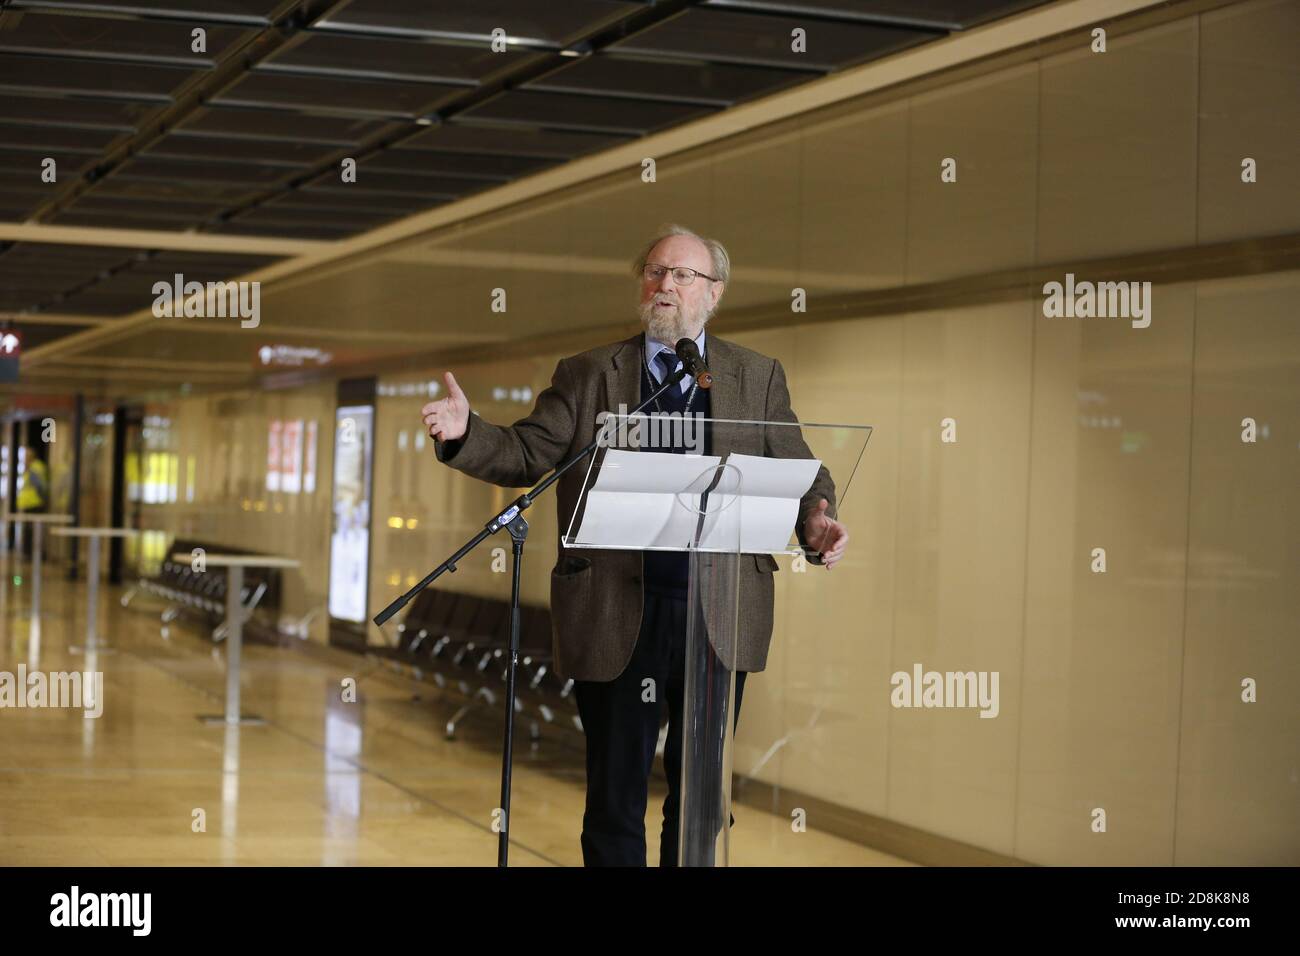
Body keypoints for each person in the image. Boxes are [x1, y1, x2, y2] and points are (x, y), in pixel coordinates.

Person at [422, 224, 849, 866]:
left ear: (714, 293)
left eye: (683, 275)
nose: (665, 285)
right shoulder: (592, 373)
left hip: (717, 616)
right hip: (617, 612)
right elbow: (528, 453)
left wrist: (816, 523)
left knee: (701, 800)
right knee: (615, 798)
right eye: (654, 272)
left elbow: (802, 471)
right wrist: (465, 434)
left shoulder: (755, 377)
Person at [16, 441, 49, 559]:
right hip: (30, 504)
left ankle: (32, 554)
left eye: (26, 456)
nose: (24, 458)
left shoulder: (35, 468)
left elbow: (40, 486)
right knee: (30, 531)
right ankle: (30, 553)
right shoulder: (31, 468)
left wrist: (42, 500)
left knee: (32, 531)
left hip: (34, 504)